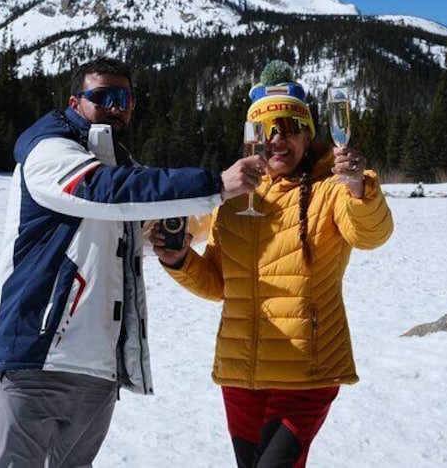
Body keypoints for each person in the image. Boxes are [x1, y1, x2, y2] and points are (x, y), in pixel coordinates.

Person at [0, 57, 263, 468]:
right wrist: (216, 185)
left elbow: (136, 216)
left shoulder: (122, 165)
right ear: (75, 101)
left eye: (125, 99)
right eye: (103, 97)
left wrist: (172, 239)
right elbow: (103, 191)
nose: (116, 107)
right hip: (36, 356)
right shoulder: (49, 149)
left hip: (98, 366)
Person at [150, 61, 394, 468]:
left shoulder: (332, 189)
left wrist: (359, 190)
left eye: (291, 127)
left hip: (307, 369)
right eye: (267, 130)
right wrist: (179, 260)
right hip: (241, 372)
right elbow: (218, 284)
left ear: (308, 133)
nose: (278, 140)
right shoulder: (233, 199)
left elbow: (371, 235)